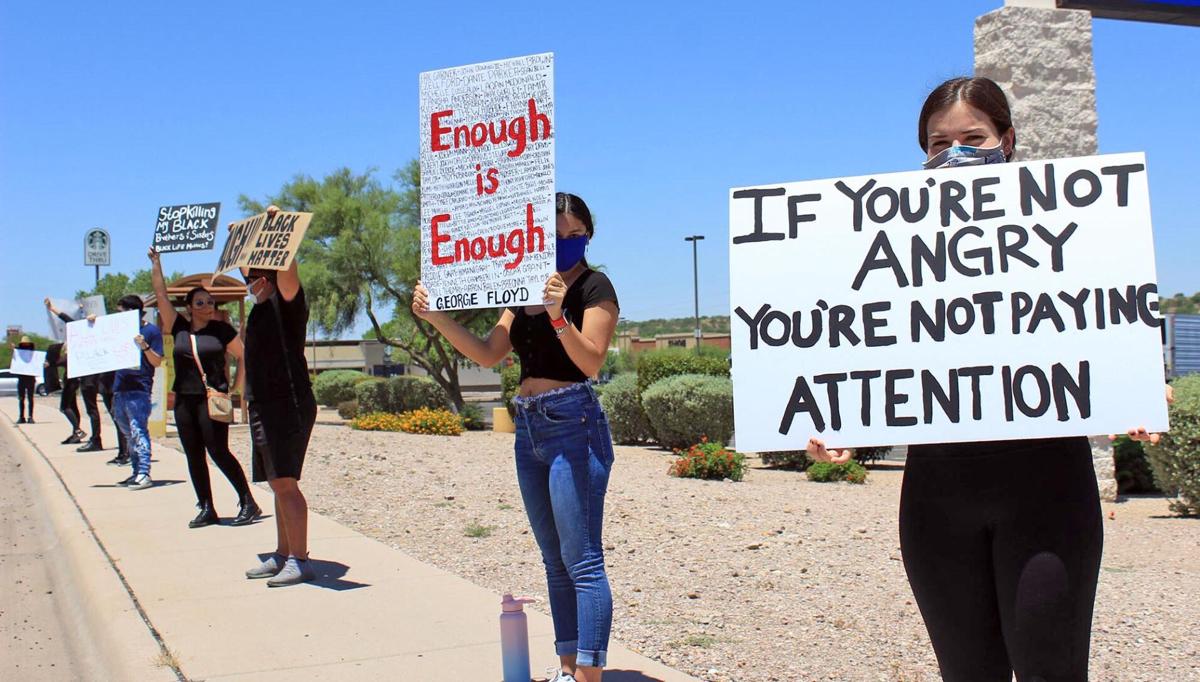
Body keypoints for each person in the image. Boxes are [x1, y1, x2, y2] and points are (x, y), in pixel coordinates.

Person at [806, 76, 1169, 682]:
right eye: (938, 142)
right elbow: (874, 357)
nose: (955, 153)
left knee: (1051, 669)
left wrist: (1131, 385)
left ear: (1007, 141)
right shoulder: (887, 251)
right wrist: (847, 429)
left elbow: (1103, 320)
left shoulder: (1071, 236)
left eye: (973, 137)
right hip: (936, 498)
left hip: (1047, 491)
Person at [413, 193, 619, 682]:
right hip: (529, 427)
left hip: (575, 423)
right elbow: (488, 353)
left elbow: (591, 361)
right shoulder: (521, 286)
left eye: (577, 235)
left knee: (583, 559)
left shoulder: (595, 286)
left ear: (589, 235)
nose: (568, 244)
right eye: (558, 236)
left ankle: (589, 676)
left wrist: (555, 314)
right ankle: (568, 669)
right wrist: (436, 316)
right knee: (554, 560)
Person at [149, 248, 260, 528]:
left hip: (212, 400)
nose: (207, 307)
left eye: (210, 302)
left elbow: (243, 356)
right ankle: (206, 506)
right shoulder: (180, 328)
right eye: (200, 303)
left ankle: (248, 501)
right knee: (194, 453)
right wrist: (156, 263)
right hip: (185, 401)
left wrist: (236, 385)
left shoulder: (221, 331)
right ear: (189, 307)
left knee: (218, 450)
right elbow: (161, 295)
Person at [238, 207, 319, 587]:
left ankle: (299, 559)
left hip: (289, 402)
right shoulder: (256, 310)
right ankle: (283, 553)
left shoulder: (287, 301)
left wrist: (276, 230)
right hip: (264, 404)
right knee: (276, 482)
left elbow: (288, 269)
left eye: (255, 273)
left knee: (285, 481)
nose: (249, 278)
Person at [111, 294, 163, 491]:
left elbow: (157, 361)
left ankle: (144, 472)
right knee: (127, 433)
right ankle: (135, 471)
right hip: (120, 388)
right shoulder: (118, 332)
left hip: (139, 390)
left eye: (121, 312)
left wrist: (144, 346)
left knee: (138, 430)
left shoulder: (151, 331)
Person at [44, 299, 87, 444]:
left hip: (73, 378)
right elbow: (66, 319)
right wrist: (53, 309)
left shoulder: (79, 341)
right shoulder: (74, 339)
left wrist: (52, 364)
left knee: (64, 407)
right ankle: (76, 432)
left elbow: (67, 360)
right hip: (72, 376)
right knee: (72, 405)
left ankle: (78, 430)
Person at [11, 336, 38, 423]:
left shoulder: (33, 354)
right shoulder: (19, 353)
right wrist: (13, 349)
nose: (25, 345)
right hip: (21, 379)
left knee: (30, 398)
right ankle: (21, 416)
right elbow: (15, 359)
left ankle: (30, 417)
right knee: (21, 399)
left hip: (30, 379)